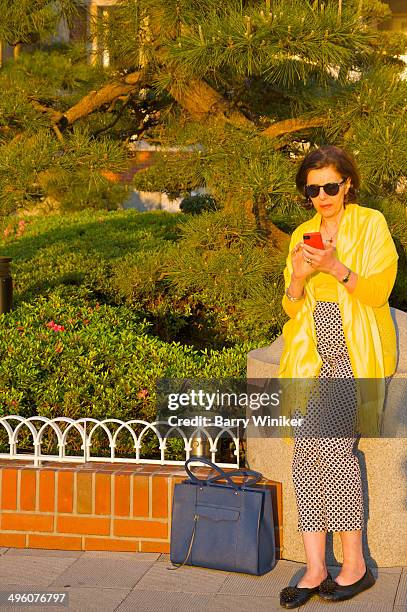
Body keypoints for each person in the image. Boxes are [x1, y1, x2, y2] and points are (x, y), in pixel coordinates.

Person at [277, 145, 398, 609]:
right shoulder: (302, 233)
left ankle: (354, 565)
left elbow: (376, 292)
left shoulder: (371, 225)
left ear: (348, 183)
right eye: (313, 188)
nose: (323, 195)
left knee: (332, 451)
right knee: (306, 457)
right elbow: (290, 305)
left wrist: (333, 266)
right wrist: (300, 278)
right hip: (311, 353)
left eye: (331, 185)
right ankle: (315, 567)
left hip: (354, 355)